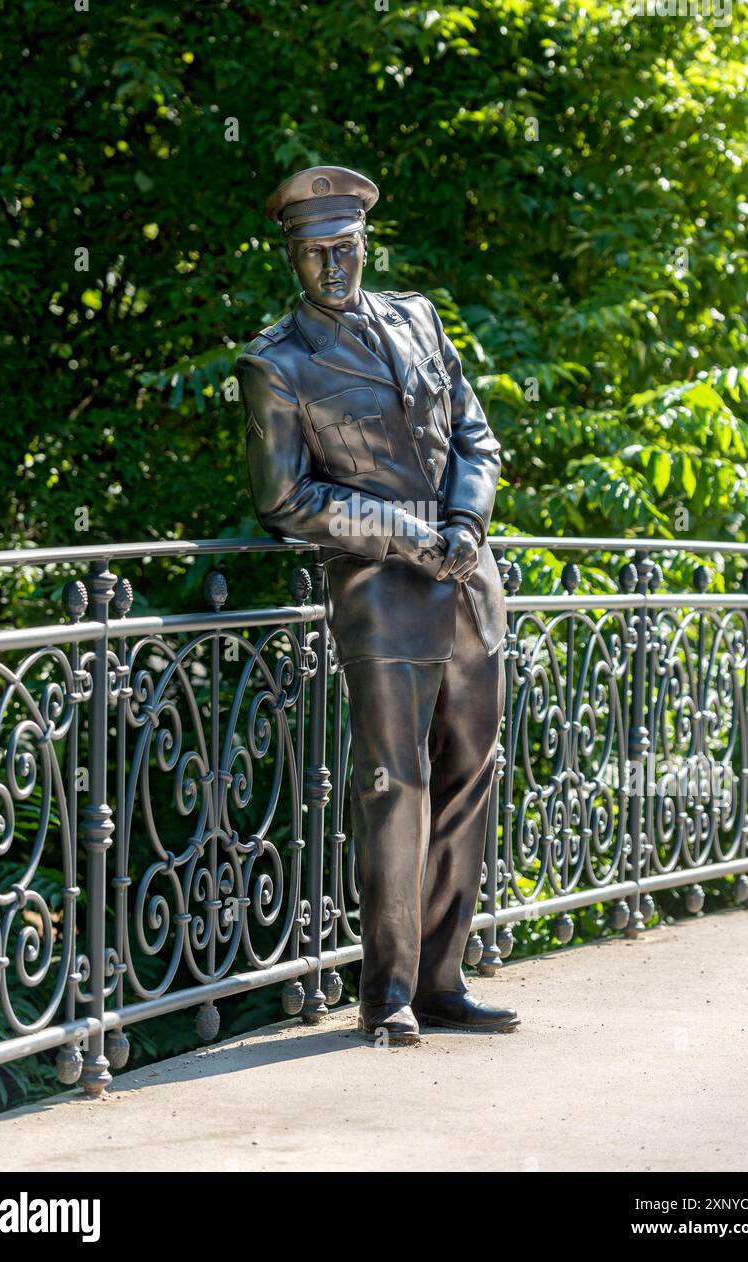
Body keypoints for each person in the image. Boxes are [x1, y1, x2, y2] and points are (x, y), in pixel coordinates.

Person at [235, 165, 519, 1044]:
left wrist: (466, 519)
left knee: (469, 782)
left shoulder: (420, 317)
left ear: (365, 243)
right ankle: (387, 992)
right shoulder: (275, 363)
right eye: (316, 255)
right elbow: (284, 499)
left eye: (345, 250)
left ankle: (444, 980)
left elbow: (476, 436)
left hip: (470, 585)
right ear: (291, 258)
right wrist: (408, 536)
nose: (333, 268)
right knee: (394, 788)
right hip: (381, 596)